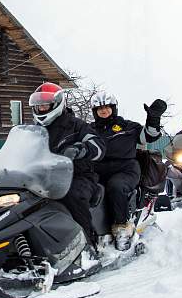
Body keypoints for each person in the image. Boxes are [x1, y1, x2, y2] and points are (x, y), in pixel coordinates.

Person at [29, 82, 106, 248]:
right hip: (41, 178)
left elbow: (99, 146)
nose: (41, 108)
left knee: (73, 196)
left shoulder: (76, 125)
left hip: (77, 176)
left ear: (57, 104)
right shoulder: (33, 131)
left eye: (45, 105)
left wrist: (82, 149)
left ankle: (87, 244)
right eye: (38, 106)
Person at [89, 91, 167, 251]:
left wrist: (153, 118)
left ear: (113, 108)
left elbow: (150, 136)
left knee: (116, 186)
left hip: (125, 169)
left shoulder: (127, 126)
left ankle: (122, 229)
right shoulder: (89, 130)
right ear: (94, 111)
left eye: (107, 107)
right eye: (99, 108)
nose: (103, 111)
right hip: (96, 170)